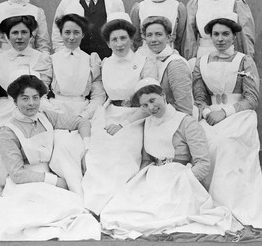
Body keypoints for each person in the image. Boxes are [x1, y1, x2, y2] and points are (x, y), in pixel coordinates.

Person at [0, 75, 101, 241]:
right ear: (15, 101)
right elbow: (17, 174)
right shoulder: (7, 131)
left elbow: (81, 123)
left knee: (73, 206)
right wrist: (54, 181)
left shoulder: (46, 117)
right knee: (49, 212)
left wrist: (87, 149)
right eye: (25, 98)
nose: (31, 103)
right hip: (24, 184)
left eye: (35, 98)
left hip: (50, 180)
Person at [99, 78, 239, 239]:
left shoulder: (186, 122)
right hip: (153, 177)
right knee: (117, 212)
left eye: (153, 100)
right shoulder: (148, 123)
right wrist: (141, 183)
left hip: (179, 179)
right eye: (144, 105)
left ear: (163, 96)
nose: (150, 108)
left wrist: (184, 182)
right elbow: (146, 159)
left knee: (162, 215)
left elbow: (203, 163)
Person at [192, 16, 262, 229]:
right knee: (199, 141)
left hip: (239, 114)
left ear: (234, 36)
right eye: (216, 34)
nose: (220, 39)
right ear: (210, 37)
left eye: (225, 34)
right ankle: (204, 203)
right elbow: (199, 97)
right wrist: (205, 113)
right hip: (210, 115)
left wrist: (225, 112)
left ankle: (229, 204)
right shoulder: (201, 61)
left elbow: (252, 98)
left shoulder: (244, 61)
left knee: (225, 143)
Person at [82, 12, 156, 214]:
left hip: (136, 117)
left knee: (121, 152)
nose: (120, 43)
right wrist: (93, 117)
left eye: (123, 38)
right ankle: (95, 205)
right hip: (108, 114)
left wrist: (123, 124)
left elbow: (149, 101)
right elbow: (101, 97)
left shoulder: (144, 63)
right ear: (107, 42)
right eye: (114, 39)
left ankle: (115, 205)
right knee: (97, 153)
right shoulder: (105, 63)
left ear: (131, 39)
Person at [0, 15, 52, 197]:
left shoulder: (43, 58)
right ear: (7, 37)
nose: (19, 37)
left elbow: (44, 88)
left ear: (32, 35)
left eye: (24, 32)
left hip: (36, 106)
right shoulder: (0, 59)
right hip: (7, 107)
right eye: (14, 33)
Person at [50, 13, 106, 119]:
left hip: (83, 112)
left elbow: (98, 96)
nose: (71, 37)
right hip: (55, 112)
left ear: (83, 34)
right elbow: (40, 93)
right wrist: (55, 112)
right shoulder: (51, 60)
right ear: (61, 34)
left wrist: (86, 114)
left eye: (76, 33)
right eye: (67, 32)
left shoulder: (91, 60)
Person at [141, 16, 193, 116]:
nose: (153, 39)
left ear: (169, 37)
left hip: (174, 119)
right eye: (149, 35)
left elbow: (185, 108)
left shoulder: (175, 64)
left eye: (159, 34)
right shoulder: (146, 60)